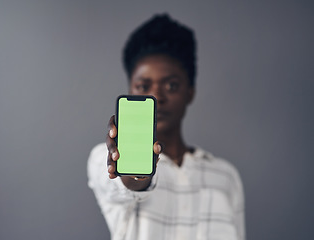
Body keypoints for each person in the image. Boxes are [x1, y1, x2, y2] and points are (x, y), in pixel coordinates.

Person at [87, 14, 245, 240]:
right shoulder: (103, 158)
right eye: (143, 86)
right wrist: (135, 175)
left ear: (190, 92)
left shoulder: (226, 176)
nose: (157, 96)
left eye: (171, 85)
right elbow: (126, 186)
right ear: (131, 90)